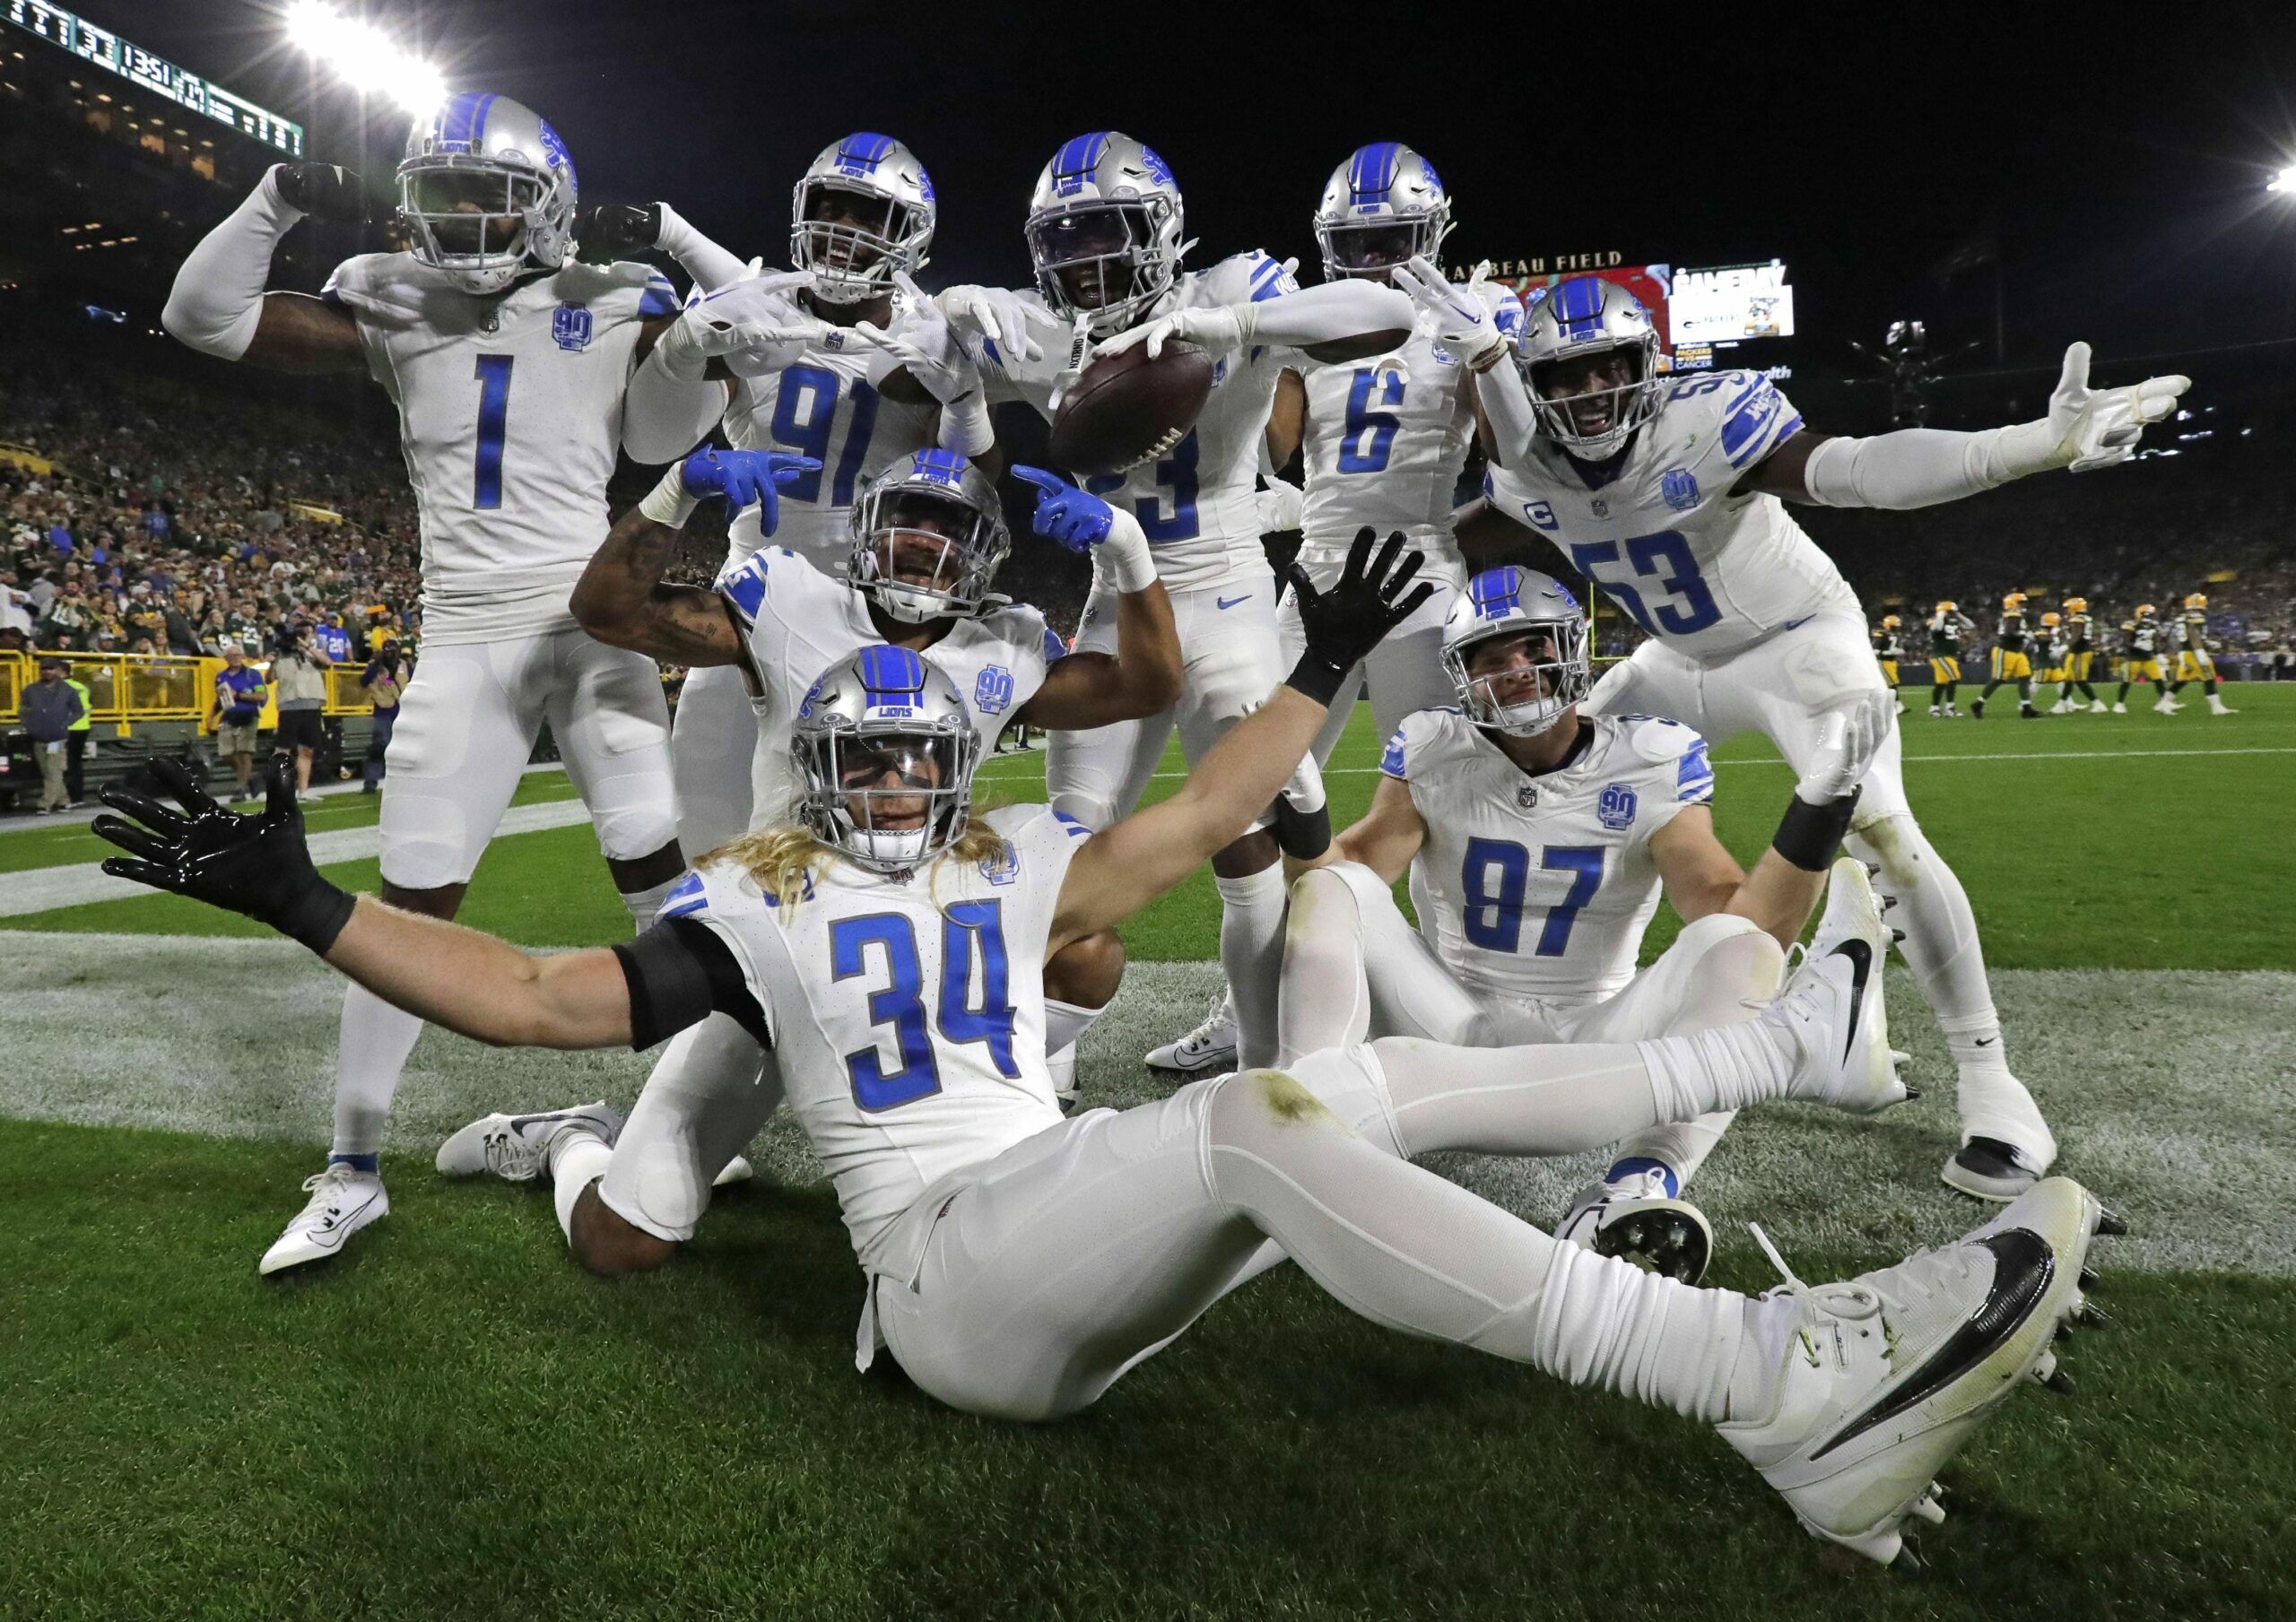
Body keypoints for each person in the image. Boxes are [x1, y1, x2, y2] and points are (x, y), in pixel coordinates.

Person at [91, 533, 2117, 1571]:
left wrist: (1317, 656)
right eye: (859, 754)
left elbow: (1212, 789)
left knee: (1340, 1097)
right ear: (819, 765)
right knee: (1260, 1109)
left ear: (951, 758)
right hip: (952, 1275)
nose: (891, 780)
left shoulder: (1019, 846)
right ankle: (1763, 1381)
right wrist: (302, 899)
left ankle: (1729, 1070)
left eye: (914, 751)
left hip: (1060, 1222)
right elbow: (538, 991)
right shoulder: (760, 889)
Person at [159, 94, 749, 1271]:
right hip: (467, 632)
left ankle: (697, 1124)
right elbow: (199, 316)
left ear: (551, 210)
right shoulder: (391, 288)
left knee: (659, 878)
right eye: (447, 195)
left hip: (591, 622)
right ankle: (353, 1167)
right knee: (406, 909)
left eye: (494, 197)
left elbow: (724, 368)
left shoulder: (607, 295)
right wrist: (278, 198)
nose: (469, 223)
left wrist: (681, 256)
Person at [1462, 279, 2184, 1201]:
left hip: (1796, 644)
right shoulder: (1527, 472)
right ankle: (1570, 1007)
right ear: (1528, 387)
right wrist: (1304, 529)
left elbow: (1857, 470)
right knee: (1544, 776)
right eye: (1565, 376)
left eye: (1612, 366)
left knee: (1881, 828)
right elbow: (1445, 539)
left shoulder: (1707, 418)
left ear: (1651, 364)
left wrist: (2032, 447)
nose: (1594, 393)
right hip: (1671, 662)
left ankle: (1988, 1076)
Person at [1277, 566, 1896, 1283]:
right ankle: (1302, 1134)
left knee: (1736, 945)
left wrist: (1820, 807)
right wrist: (1301, 804)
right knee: (1333, 889)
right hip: (1448, 1024)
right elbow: (1331, 881)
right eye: (1491, 654)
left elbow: (1746, 922)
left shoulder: (1648, 759)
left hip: (1595, 1041)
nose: (1516, 668)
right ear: (1461, 672)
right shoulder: (1434, 747)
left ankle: (1636, 1189)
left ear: (1572, 646)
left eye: (1533, 646)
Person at [952, 131, 1419, 1075]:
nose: (1085, 259)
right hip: (1114, 602)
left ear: (1160, 229)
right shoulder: (1037, 329)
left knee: (1251, 845)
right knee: (1069, 839)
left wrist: (1239, 331)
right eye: (1067, 237)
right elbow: (935, 379)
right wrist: (956, 348)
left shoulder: (1226, 294)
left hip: (1228, 585)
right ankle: (1044, 1068)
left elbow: (1388, 313)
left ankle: (1262, 1059)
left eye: (1107, 230)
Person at [569, 441, 1178, 1149]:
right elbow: (608, 613)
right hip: (785, 917)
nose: (923, 540)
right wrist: (677, 487)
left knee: (1088, 954)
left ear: (981, 552)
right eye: (909, 517)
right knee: (631, 1233)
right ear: (866, 528)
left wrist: (1126, 548)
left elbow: (1149, 685)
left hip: (915, 928)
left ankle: (972, 1082)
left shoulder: (1002, 648)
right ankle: (572, 1140)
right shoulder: (791, 599)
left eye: (947, 527)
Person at [613, 133, 1002, 860]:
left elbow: (976, 491)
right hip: (750, 603)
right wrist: (689, 342)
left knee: (887, 846)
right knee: (711, 835)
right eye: (832, 208)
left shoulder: (934, 334)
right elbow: (647, 441)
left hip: (880, 614)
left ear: (909, 235)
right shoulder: (754, 312)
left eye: (867, 215)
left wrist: (964, 401)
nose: (844, 229)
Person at [270, 620, 333, 801]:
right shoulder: (281, 656)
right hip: (289, 706)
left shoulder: (311, 654)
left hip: (311, 705)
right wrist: (274, 659)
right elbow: (269, 678)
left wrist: (305, 646)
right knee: (283, 750)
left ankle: (303, 791)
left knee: (307, 750)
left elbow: (327, 662)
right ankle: (277, 790)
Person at [207, 644, 268, 802]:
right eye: (231, 655)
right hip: (229, 717)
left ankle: (239, 789)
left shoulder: (251, 675)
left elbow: (261, 695)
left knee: (244, 753)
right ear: (226, 658)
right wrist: (211, 716)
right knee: (226, 754)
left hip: (248, 716)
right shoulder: (221, 677)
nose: (235, 658)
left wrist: (239, 696)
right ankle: (250, 779)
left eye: (237, 655)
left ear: (242, 657)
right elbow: (220, 700)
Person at [22, 656, 83, 813]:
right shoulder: (31, 689)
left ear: (57, 670)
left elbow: (79, 711)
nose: (47, 671)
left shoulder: (68, 690)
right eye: (44, 668)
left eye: (50, 668)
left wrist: (65, 724)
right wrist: (30, 725)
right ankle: (63, 801)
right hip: (39, 737)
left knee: (53, 770)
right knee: (49, 772)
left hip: (57, 738)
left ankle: (45, 804)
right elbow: (22, 710)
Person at [1970, 591, 2037, 720]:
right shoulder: (2012, 615)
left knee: (2024, 677)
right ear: (2013, 603)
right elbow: (2009, 633)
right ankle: (1978, 704)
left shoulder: (2016, 615)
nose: (2023, 605)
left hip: (2017, 651)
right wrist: (2024, 634)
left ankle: (2026, 708)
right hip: (2006, 651)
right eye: (2020, 602)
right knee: (1999, 679)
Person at [2169, 593, 2234, 716]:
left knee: (2182, 680)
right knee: (2208, 677)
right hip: (2193, 652)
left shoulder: (2182, 617)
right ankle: (2217, 707)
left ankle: (2164, 703)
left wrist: (2209, 643)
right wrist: (2199, 652)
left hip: (2185, 651)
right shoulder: (2195, 616)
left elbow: (2189, 637)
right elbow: (2193, 634)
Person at [358, 641, 405, 793]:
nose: (390, 653)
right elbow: (364, 681)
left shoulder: (404, 665)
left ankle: (401, 781)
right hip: (383, 710)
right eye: (388, 650)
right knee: (380, 746)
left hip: (402, 709)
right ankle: (370, 783)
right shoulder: (377, 666)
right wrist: (375, 665)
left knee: (402, 747)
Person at [2113, 604, 2170, 713]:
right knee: (2127, 680)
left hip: (2149, 657)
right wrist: (2139, 647)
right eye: (2147, 615)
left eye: (2151, 615)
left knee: (2158, 678)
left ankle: (2164, 703)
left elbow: (2153, 642)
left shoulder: (2152, 626)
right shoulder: (2132, 625)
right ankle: (2119, 704)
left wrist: (2158, 654)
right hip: (2134, 657)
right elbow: (2126, 641)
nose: (2149, 617)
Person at [62, 664, 93, 805]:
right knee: (76, 763)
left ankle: (69, 797)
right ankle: (78, 797)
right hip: (83, 727)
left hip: (68, 729)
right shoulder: (81, 686)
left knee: (66, 764)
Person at [1872, 612, 1905, 713]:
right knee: (1892, 684)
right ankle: (1897, 705)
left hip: (1891, 662)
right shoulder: (1881, 634)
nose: (1896, 628)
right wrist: (1885, 652)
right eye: (1894, 626)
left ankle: (1888, 706)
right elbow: (1874, 650)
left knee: (1889, 684)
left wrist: (1896, 651)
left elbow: (1901, 650)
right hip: (1883, 661)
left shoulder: (1896, 635)